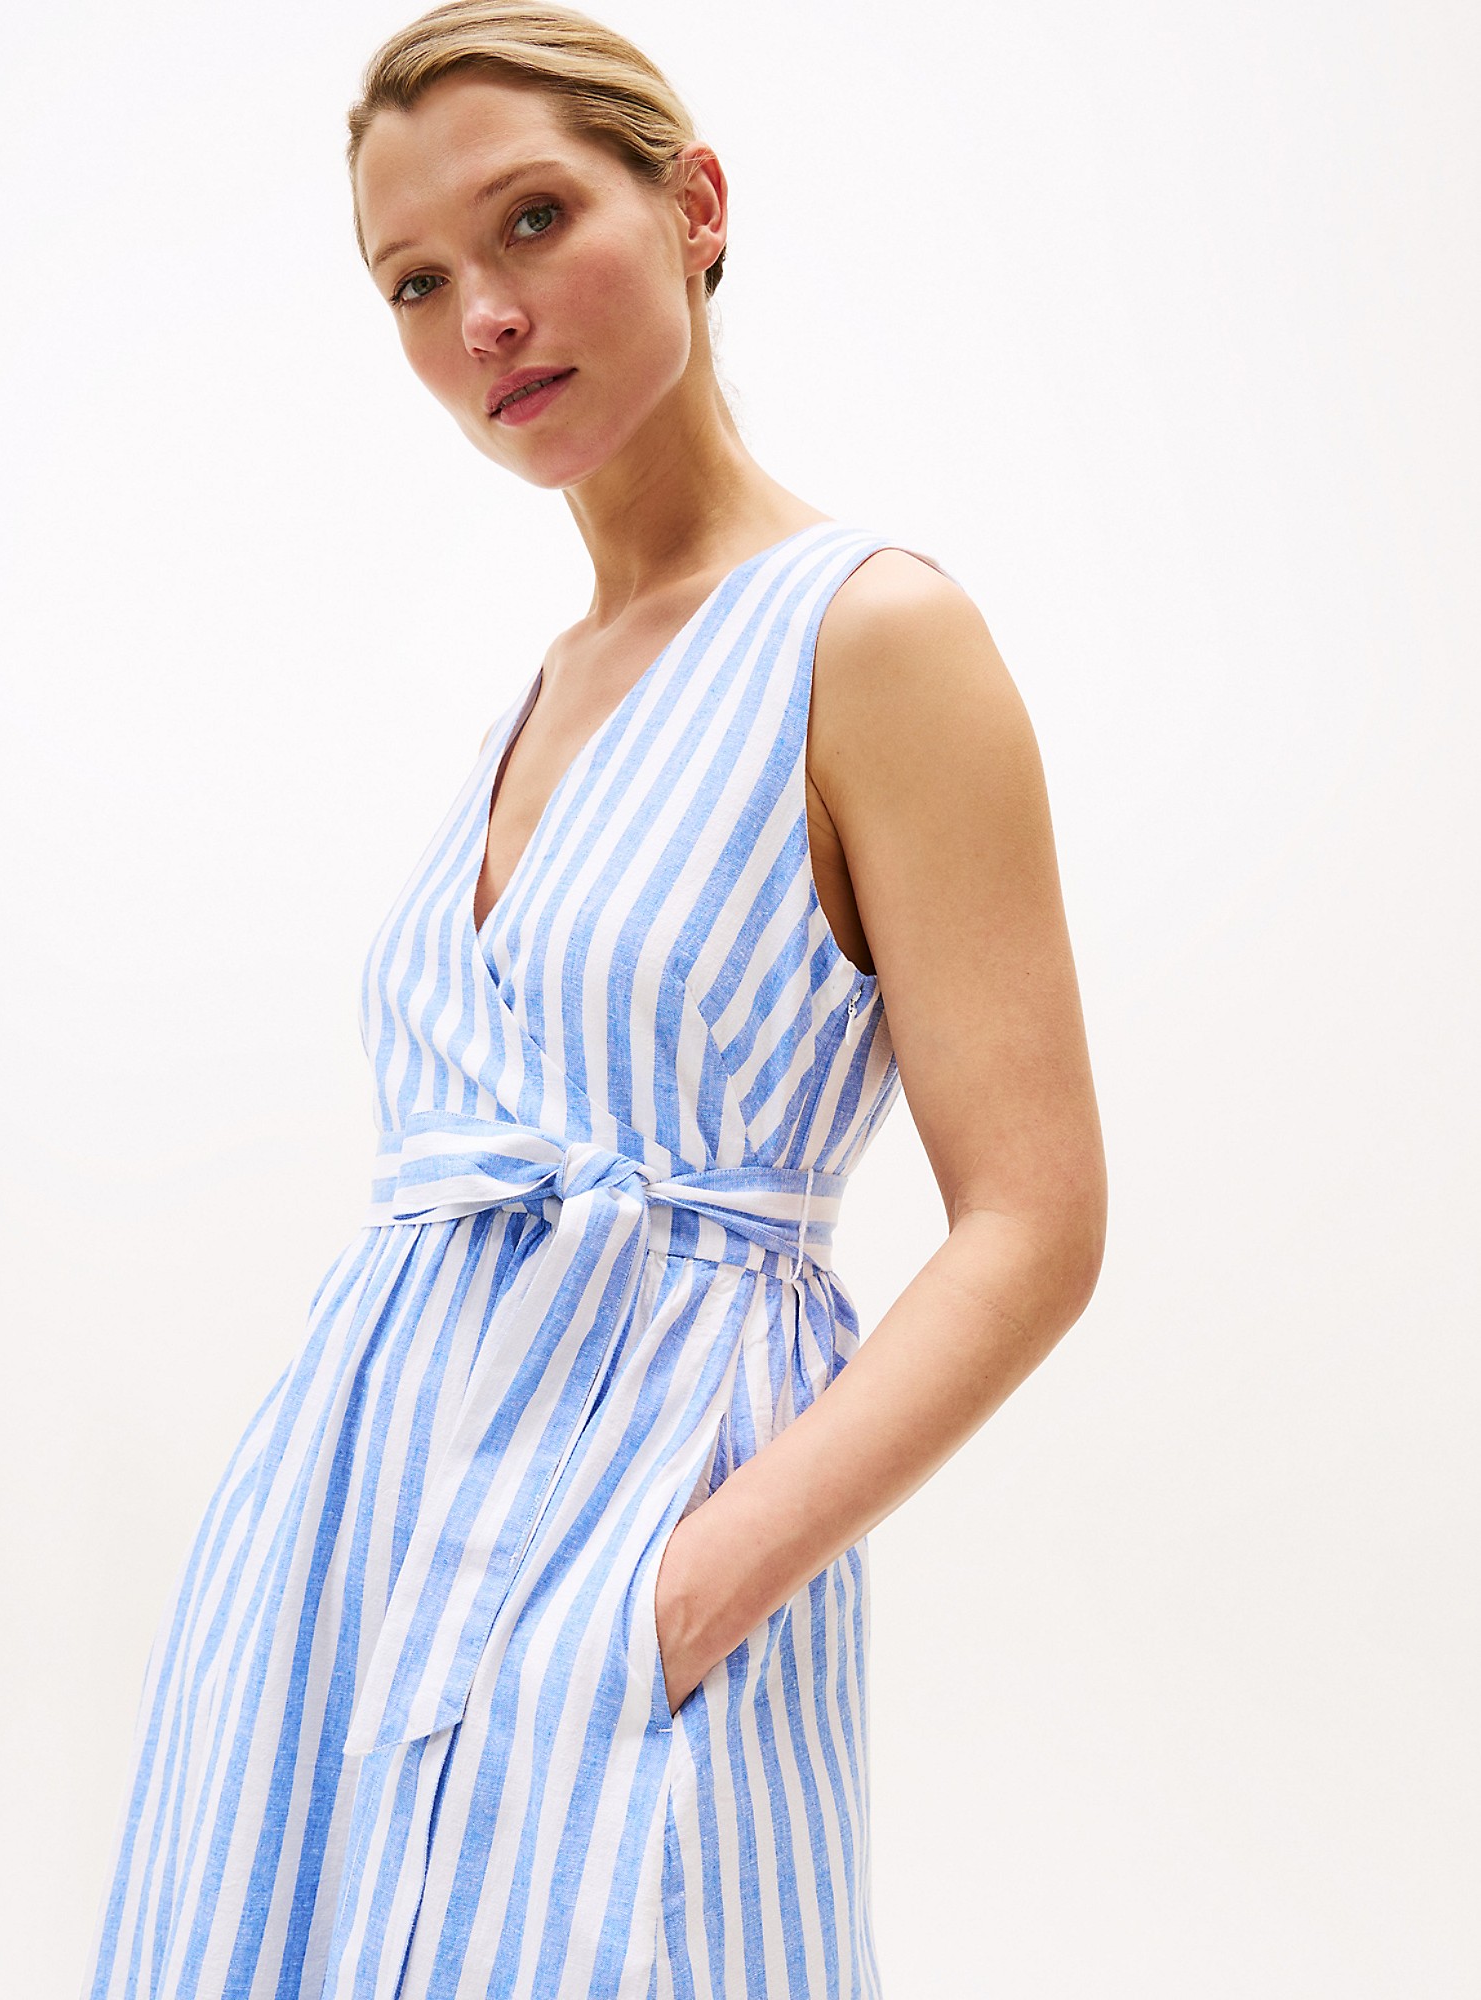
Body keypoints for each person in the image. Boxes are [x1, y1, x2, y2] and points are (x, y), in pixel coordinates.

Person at [79, 4, 1108, 1995]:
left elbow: (1036, 1224)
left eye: (534, 220)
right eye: (415, 281)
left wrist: (677, 1597)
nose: (484, 316)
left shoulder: (874, 634)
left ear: (694, 204)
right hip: (337, 1559)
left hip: (643, 1551)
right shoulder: (535, 696)